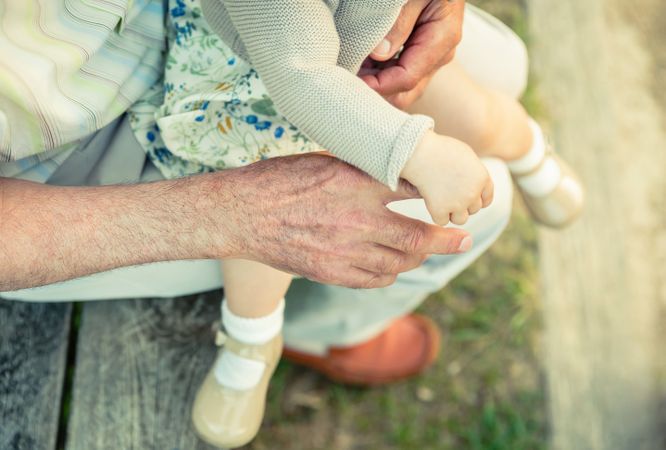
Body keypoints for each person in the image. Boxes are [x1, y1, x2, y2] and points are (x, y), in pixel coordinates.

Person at [0, 0, 547, 447]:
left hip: (335, 42)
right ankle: (260, 336)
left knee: (498, 77)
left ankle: (533, 154)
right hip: (214, 87)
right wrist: (415, 150)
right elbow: (300, 76)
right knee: (264, 171)